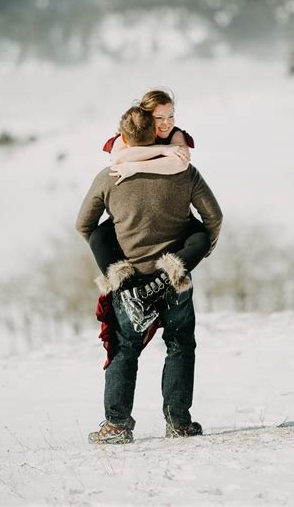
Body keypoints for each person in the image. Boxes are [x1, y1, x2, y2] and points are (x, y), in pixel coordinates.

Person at [76, 105, 223, 444]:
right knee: (180, 345)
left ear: (125, 138)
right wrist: (202, 249)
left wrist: (114, 248)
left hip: (130, 285)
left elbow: (84, 225)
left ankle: (116, 426)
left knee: (125, 349)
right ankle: (179, 422)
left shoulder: (109, 177)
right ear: (156, 133)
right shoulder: (185, 172)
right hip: (174, 277)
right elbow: (213, 218)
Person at [89, 88, 207, 280]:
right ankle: (121, 282)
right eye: (160, 117)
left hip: (169, 207)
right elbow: (117, 157)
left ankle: (167, 277)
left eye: (171, 116)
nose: (167, 122)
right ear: (146, 116)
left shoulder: (176, 135)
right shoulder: (130, 133)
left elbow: (180, 163)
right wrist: (163, 149)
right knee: (99, 237)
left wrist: (135, 168)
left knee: (201, 239)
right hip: (132, 208)